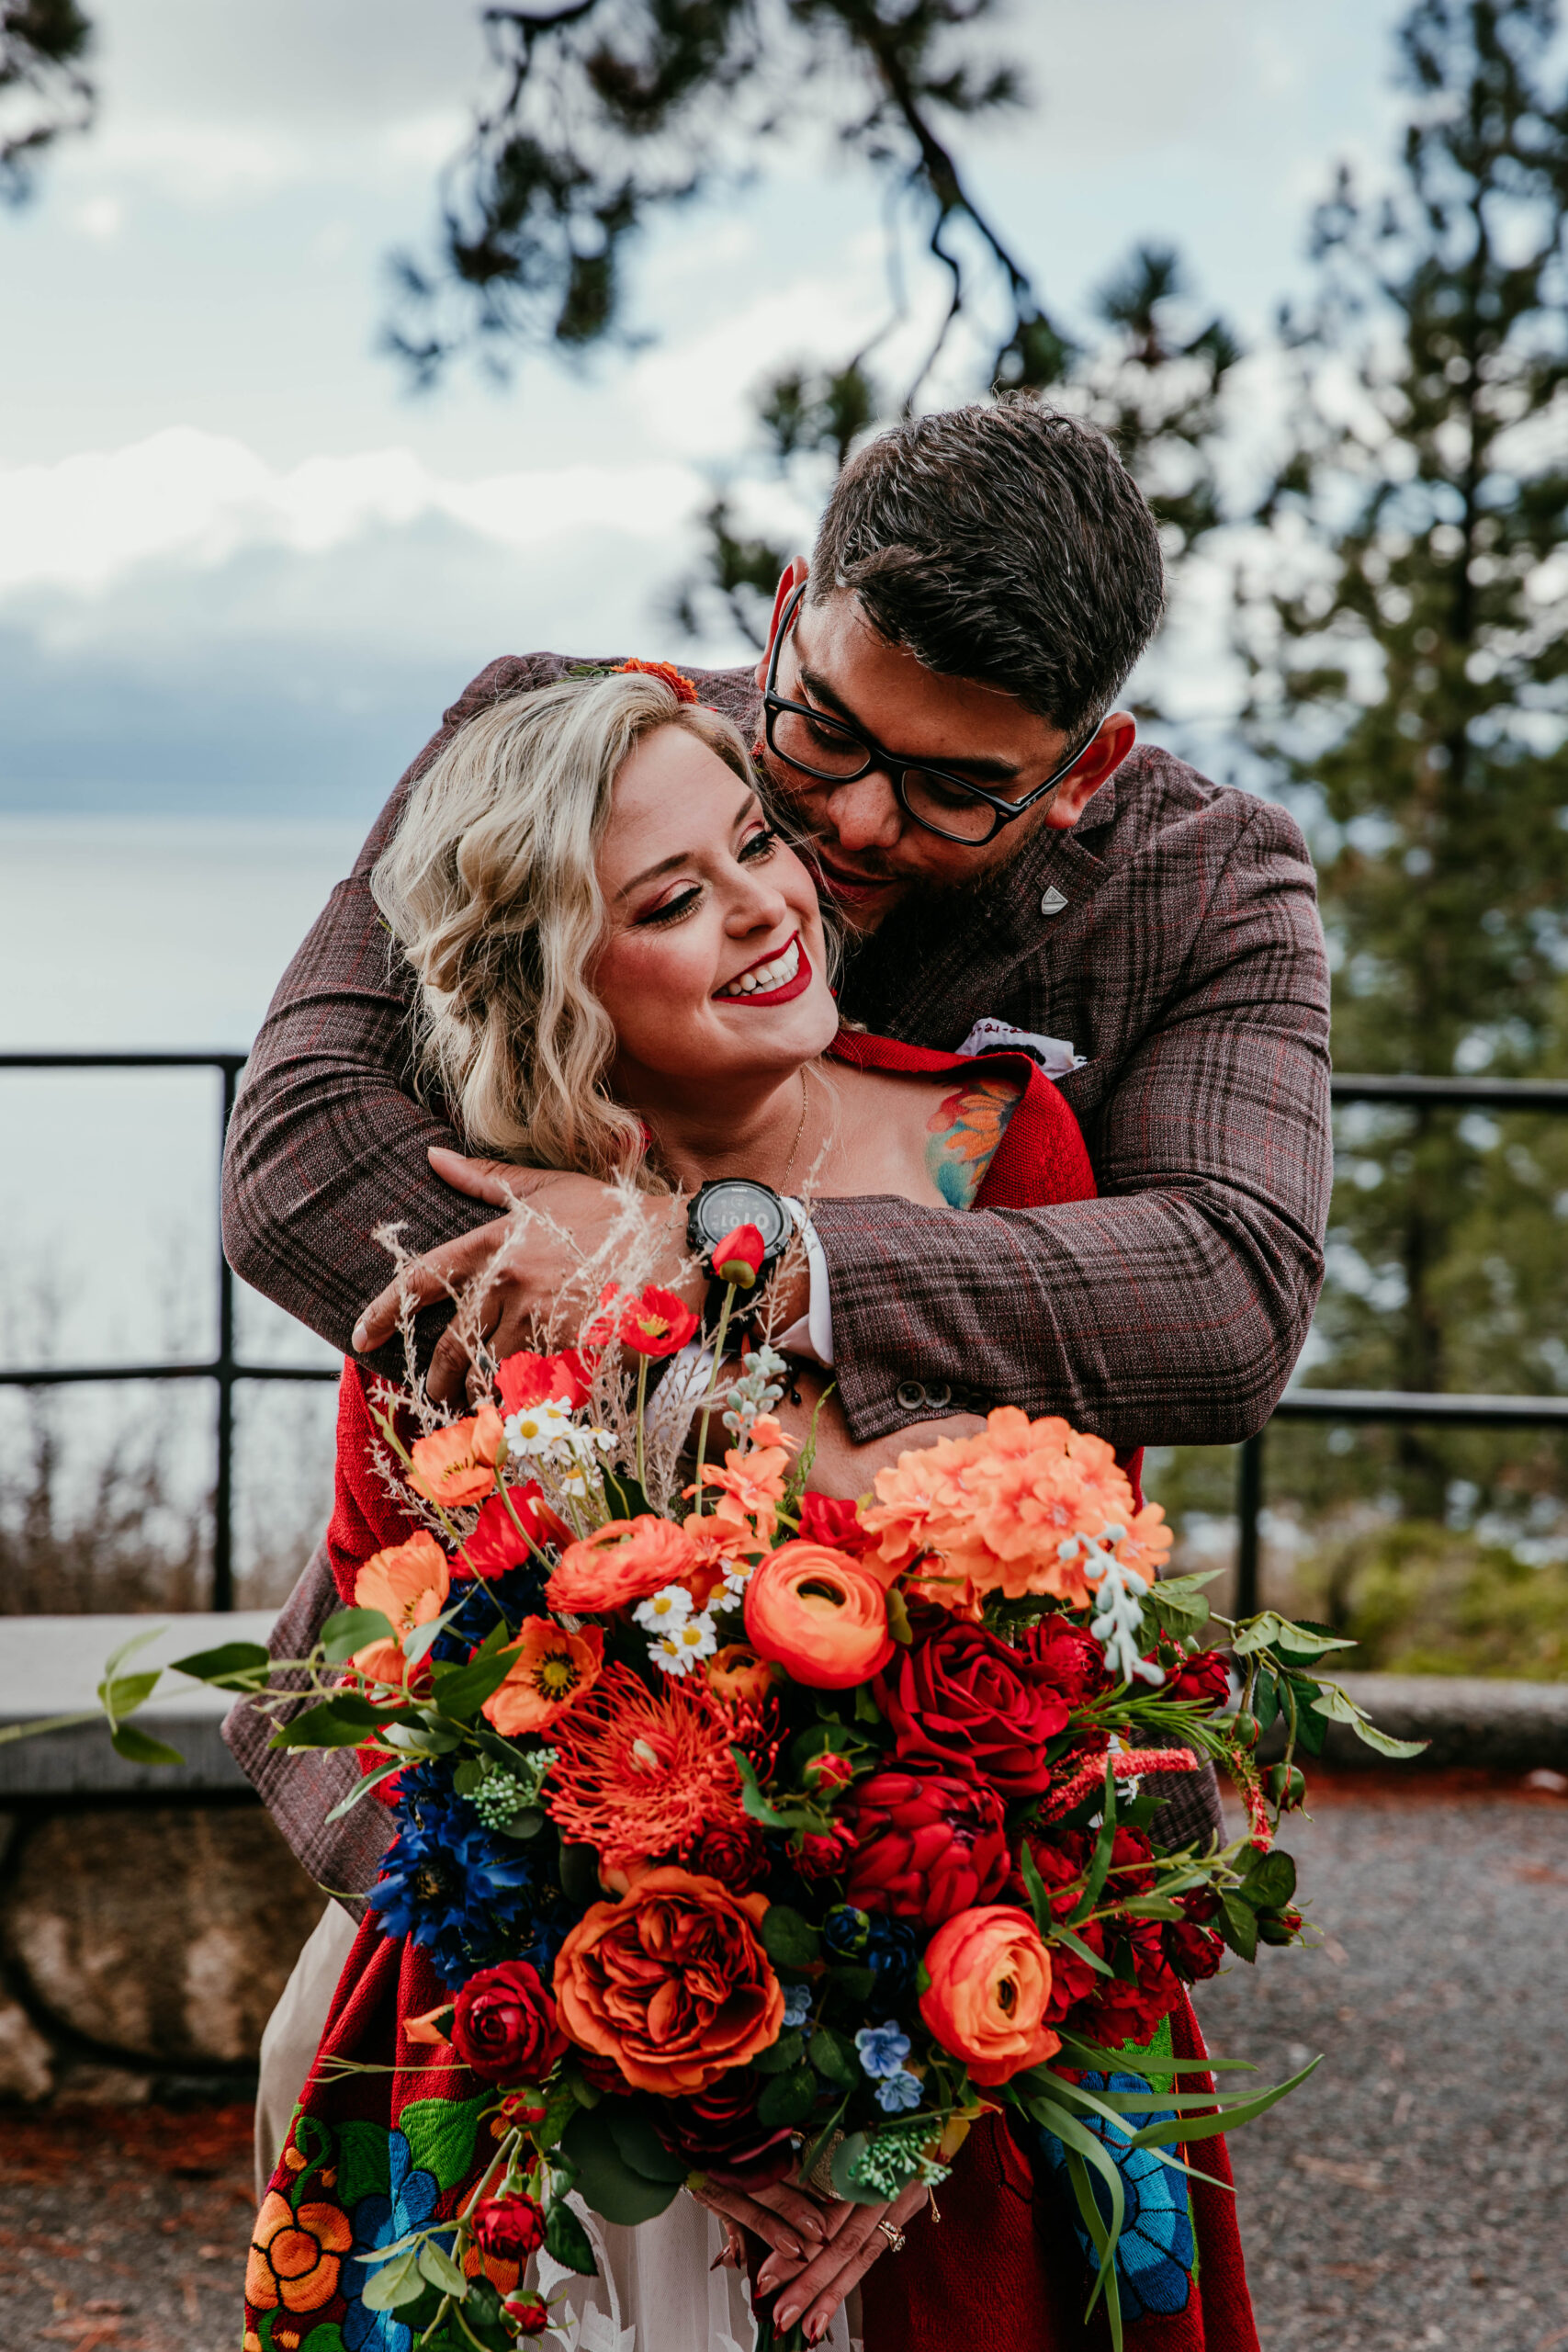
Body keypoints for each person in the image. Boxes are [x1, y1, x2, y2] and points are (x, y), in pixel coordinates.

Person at [245, 660, 1258, 2352]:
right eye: (671, 899)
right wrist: (670, 2086)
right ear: (560, 978)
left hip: (971, 2067)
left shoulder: (1003, 1148)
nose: (765, 908)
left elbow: (1110, 1676)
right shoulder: (483, 1280)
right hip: (601, 2116)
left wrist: (925, 2096)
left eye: (750, 846)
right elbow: (379, 1717)